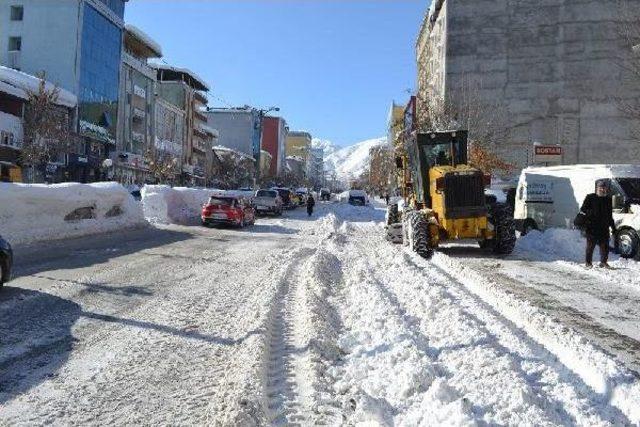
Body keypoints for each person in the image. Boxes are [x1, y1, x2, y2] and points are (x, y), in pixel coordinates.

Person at [579, 180, 616, 269]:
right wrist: (591, 213)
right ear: (597, 188)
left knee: (605, 247)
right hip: (592, 227)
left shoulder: (608, 199)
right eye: (601, 187)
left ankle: (603, 262)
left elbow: (610, 215)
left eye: (604, 187)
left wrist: (613, 227)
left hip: (604, 227)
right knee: (590, 247)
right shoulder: (590, 197)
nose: (602, 189)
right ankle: (588, 263)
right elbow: (583, 209)